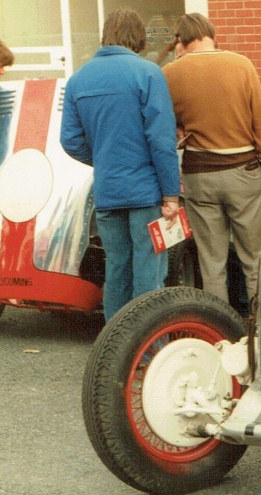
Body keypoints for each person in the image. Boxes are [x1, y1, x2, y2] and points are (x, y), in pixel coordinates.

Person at [60, 9, 180, 322]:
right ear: (138, 36)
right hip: (146, 193)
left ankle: (114, 349)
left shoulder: (77, 80)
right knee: (149, 273)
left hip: (107, 192)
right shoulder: (148, 73)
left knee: (116, 271)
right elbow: (162, 141)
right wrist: (171, 194)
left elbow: (70, 141)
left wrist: (102, 158)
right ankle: (147, 352)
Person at [163, 13, 261, 311]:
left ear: (182, 40)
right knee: (255, 258)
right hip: (244, 169)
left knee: (211, 263)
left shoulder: (171, 72)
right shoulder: (241, 64)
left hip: (199, 173)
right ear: (210, 34)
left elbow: (168, 125)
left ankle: (219, 334)